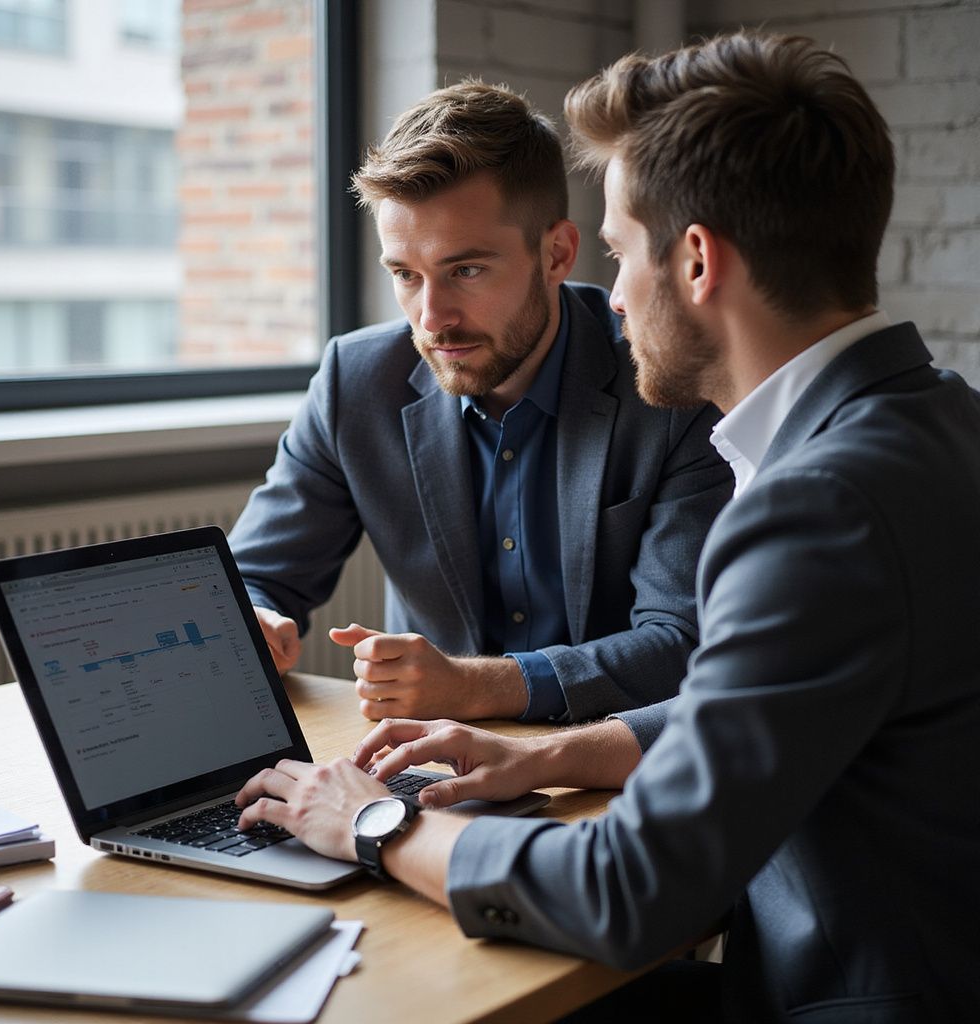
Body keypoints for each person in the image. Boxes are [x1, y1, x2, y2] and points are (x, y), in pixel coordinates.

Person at [234, 32, 980, 1021]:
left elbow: (626, 889)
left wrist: (370, 822)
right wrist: (547, 753)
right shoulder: (943, 420)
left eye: (622, 251)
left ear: (698, 261)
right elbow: (779, 705)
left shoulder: (817, 505)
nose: (615, 298)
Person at [229, 80, 730, 724]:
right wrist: (258, 619)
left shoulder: (668, 385)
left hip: (606, 769)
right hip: (426, 766)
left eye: (465, 270)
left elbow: (681, 644)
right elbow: (253, 574)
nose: (432, 319)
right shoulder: (355, 382)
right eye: (406, 275)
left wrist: (475, 688)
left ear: (555, 253)